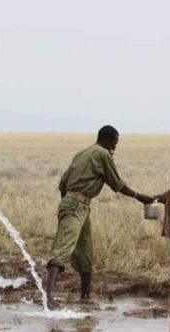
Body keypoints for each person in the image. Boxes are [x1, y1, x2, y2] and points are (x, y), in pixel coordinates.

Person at [44, 125, 154, 309]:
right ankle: (48, 298)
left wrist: (67, 203)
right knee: (62, 250)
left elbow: (63, 183)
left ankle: (85, 298)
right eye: (115, 143)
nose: (115, 148)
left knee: (85, 254)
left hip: (79, 206)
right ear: (108, 140)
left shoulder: (82, 153)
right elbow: (117, 184)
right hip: (76, 207)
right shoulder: (103, 154)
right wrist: (139, 197)